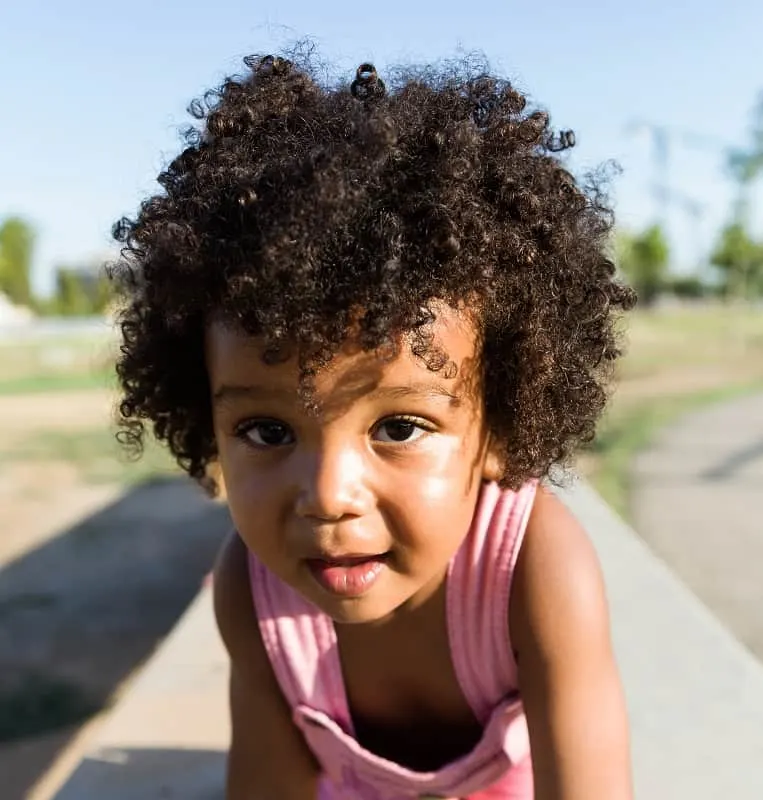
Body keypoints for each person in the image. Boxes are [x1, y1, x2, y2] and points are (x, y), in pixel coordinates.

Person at [111, 49, 636, 799]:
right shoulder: (250, 589)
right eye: (265, 430)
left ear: (501, 431)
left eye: (397, 428)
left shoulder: (533, 571)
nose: (327, 496)